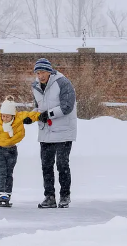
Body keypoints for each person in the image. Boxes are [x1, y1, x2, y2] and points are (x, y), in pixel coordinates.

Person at [26, 58, 77, 208]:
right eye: (37, 72)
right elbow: (38, 107)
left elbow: (67, 106)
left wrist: (48, 114)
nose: (40, 75)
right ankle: (49, 197)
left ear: (49, 71)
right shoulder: (35, 86)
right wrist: (31, 117)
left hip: (63, 131)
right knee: (46, 165)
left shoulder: (63, 83)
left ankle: (65, 196)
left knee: (62, 164)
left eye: (42, 72)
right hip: (46, 132)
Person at [0, 97, 41, 206]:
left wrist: (41, 116)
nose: (5, 118)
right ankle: (0, 194)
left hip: (12, 150)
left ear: (13, 115)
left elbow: (31, 115)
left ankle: (7, 194)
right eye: (3, 116)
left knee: (9, 173)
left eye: (7, 116)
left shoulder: (19, 118)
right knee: (2, 172)